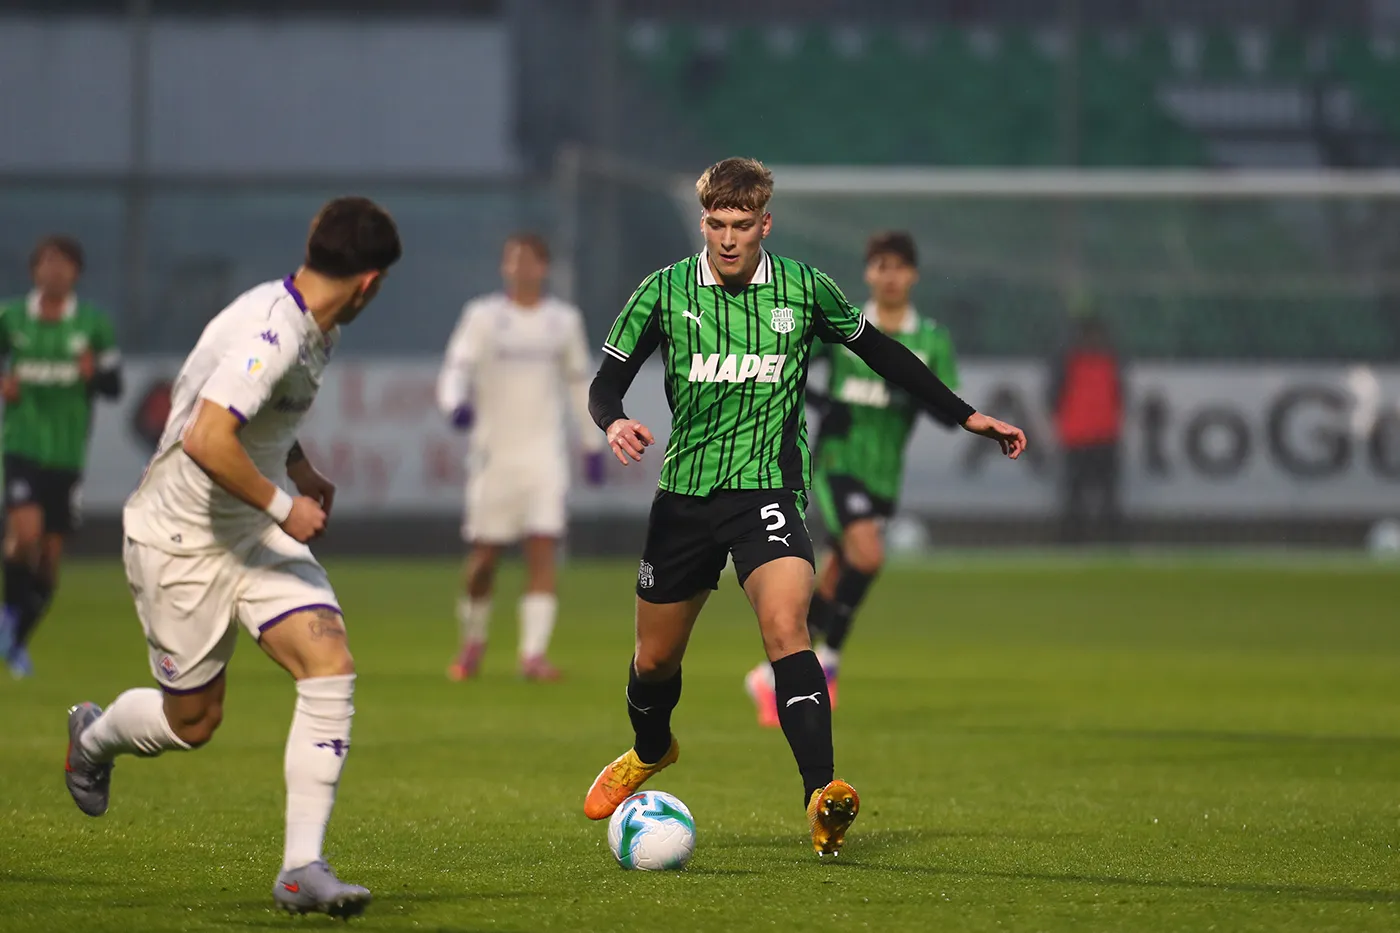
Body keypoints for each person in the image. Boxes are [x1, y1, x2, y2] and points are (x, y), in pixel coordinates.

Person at [582, 158, 1027, 857]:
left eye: (741, 226)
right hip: (685, 499)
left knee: (789, 626)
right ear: (704, 222)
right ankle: (650, 748)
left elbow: (884, 354)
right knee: (654, 661)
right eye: (716, 225)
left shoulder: (803, 288)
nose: (727, 239)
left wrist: (966, 415)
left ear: (765, 224)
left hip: (768, 490)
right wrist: (612, 421)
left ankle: (820, 795)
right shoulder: (663, 291)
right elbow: (605, 383)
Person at [62, 197, 402, 919]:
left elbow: (259, 418)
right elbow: (207, 438)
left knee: (329, 662)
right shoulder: (272, 330)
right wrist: (288, 505)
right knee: (194, 723)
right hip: (179, 541)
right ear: (370, 282)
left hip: (248, 532)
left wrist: (298, 469)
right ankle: (93, 737)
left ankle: (300, 868)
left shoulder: (313, 321)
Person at [744, 231, 959, 727]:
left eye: (899, 267)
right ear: (868, 273)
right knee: (869, 555)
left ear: (913, 275)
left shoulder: (931, 340)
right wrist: (825, 407)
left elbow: (946, 410)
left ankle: (769, 673)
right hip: (838, 463)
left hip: (885, 473)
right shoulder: (845, 330)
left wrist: (918, 393)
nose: (889, 276)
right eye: (880, 266)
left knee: (842, 570)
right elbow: (788, 369)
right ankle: (830, 662)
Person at [437, 233, 606, 682]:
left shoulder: (563, 321)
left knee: (543, 550)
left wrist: (592, 443)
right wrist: (455, 404)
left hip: (543, 458)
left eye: (529, 261)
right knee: (484, 559)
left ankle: (532, 654)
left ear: (543, 267)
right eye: (513, 261)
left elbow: (578, 383)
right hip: (494, 457)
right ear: (503, 268)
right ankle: (473, 638)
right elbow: (456, 366)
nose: (521, 269)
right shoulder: (484, 317)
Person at [0, 236, 122, 678]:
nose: (54, 271)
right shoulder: (11, 318)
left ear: (76, 272)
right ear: (34, 271)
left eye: (63, 263)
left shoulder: (92, 324)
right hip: (21, 444)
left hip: (68, 454)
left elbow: (114, 386)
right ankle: (9, 620)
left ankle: (15, 639)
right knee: (25, 536)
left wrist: (94, 376)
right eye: (47, 263)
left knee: (50, 562)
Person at [1048, 314, 1124, 544]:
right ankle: (1074, 539)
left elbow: (1053, 397)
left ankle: (1107, 539)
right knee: (1076, 494)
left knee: (1106, 495)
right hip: (1079, 436)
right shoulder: (1070, 362)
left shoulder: (1107, 362)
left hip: (1102, 435)